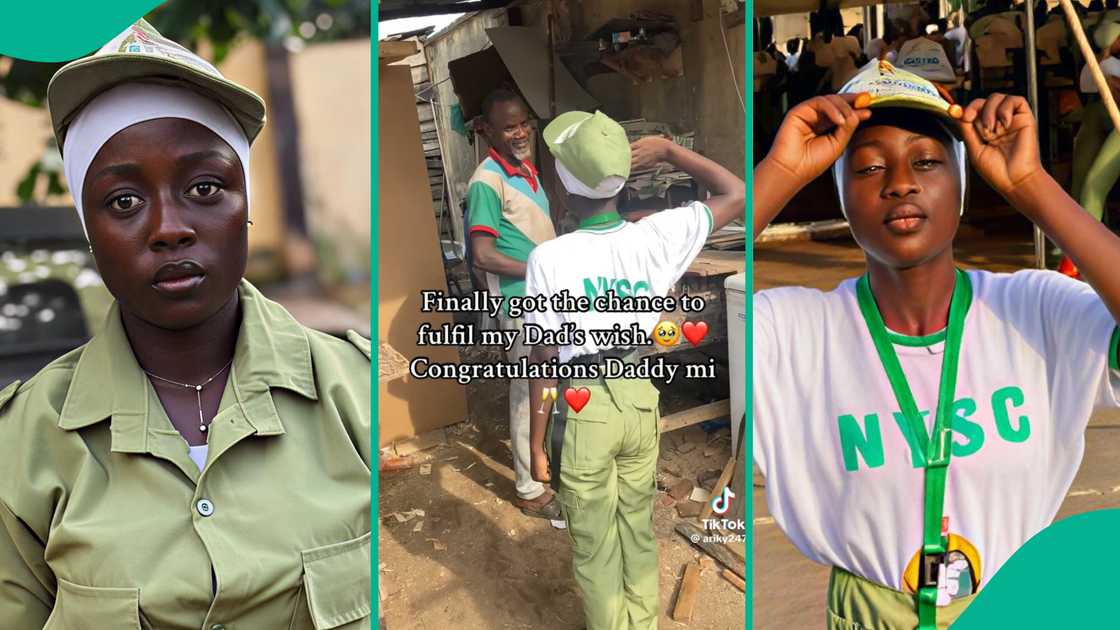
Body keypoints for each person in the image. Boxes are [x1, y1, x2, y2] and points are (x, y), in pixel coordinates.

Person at [0, 20, 371, 629]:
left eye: (205, 186)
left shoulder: (353, 392)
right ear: (92, 232)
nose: (169, 227)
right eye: (124, 201)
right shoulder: (25, 445)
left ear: (244, 206)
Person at [754, 59, 1120, 628]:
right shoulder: (794, 332)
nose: (900, 182)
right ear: (841, 196)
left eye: (926, 161)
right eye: (869, 167)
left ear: (962, 183)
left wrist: (1032, 186)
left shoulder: (1036, 311)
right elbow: (671, 318)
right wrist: (778, 172)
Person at [523, 111, 743, 630]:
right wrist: (668, 150)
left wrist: (535, 444)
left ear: (564, 184)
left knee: (596, 545)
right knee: (638, 529)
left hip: (586, 409)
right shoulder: (660, 236)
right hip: (641, 398)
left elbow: (544, 360)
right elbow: (736, 192)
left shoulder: (549, 259)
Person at [466, 88, 562, 521]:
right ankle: (527, 488)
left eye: (524, 122)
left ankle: (542, 466)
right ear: (487, 131)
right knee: (528, 393)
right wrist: (541, 266)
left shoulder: (526, 170)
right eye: (509, 126)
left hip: (543, 296)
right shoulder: (486, 182)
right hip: (519, 303)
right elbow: (481, 255)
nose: (521, 131)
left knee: (548, 387)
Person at [1077, 23, 1120, 237]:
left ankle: (1082, 243)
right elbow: (1087, 84)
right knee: (1087, 179)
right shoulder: (1106, 64)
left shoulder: (1104, 64)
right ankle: (1078, 242)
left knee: (1093, 182)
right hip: (1102, 117)